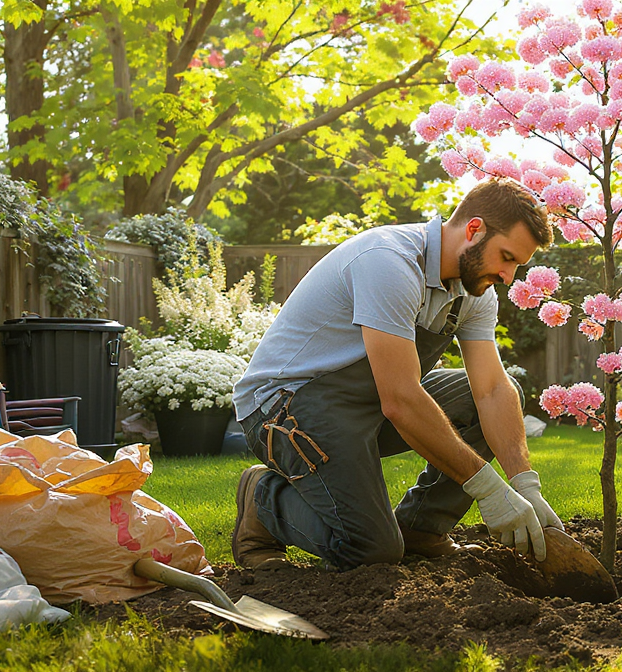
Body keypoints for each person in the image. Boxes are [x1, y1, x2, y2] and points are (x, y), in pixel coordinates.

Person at [229, 178, 563, 571]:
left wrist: (525, 484)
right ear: (474, 229)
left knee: (495, 393)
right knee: (371, 552)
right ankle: (262, 499)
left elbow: (490, 390)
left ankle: (421, 528)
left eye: (517, 265)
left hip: (363, 406)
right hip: (285, 409)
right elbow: (401, 399)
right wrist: (489, 490)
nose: (508, 276)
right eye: (506, 257)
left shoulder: (474, 295)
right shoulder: (389, 261)